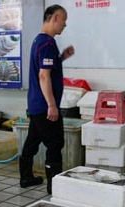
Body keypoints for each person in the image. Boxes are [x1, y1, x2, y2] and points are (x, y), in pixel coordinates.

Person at [20, 4, 74, 194]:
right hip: (45, 107)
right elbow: (44, 76)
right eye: (63, 21)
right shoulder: (47, 43)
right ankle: (55, 187)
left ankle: (26, 177)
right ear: (54, 18)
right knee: (55, 144)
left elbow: (45, 68)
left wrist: (61, 58)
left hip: (35, 104)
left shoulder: (39, 41)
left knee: (32, 142)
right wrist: (52, 105)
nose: (64, 25)